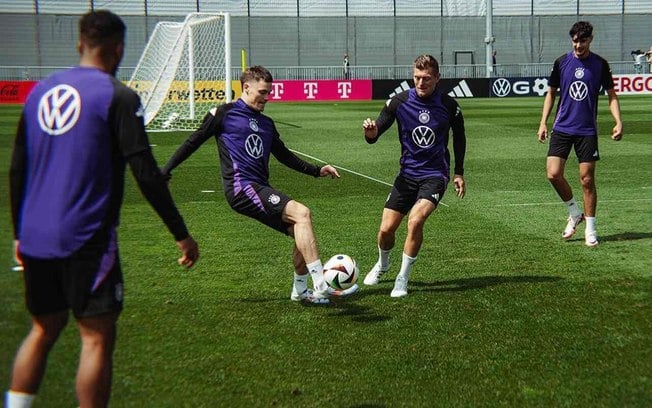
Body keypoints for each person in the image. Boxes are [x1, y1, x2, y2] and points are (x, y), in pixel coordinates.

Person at [6, 10, 199, 408]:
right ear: (119, 49)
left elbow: (17, 170)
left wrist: (18, 233)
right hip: (86, 237)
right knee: (95, 336)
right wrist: (181, 232)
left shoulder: (41, 92)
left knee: (43, 327)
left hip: (36, 237)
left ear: (79, 44)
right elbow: (145, 173)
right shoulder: (118, 96)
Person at [161, 65, 354, 304]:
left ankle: (301, 292)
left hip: (259, 187)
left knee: (301, 233)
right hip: (242, 188)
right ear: (246, 87)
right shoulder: (223, 114)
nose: (267, 97)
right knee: (302, 213)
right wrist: (166, 171)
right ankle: (321, 284)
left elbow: (284, 155)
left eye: (269, 92)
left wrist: (317, 171)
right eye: (262, 92)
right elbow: (192, 142)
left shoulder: (266, 124)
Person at [361, 54, 467, 298]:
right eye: (417, 78)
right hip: (406, 175)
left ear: (437, 78)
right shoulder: (399, 102)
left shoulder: (449, 106)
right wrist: (370, 131)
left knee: (415, 220)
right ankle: (383, 264)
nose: (421, 83)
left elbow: (460, 138)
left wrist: (459, 172)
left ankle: (402, 277)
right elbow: (374, 135)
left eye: (427, 78)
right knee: (386, 231)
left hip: (435, 175)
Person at [537, 21, 622, 247]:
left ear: (590, 39)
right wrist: (543, 122)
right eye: (575, 41)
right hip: (562, 127)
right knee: (553, 174)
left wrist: (618, 121)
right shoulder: (561, 63)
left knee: (587, 180)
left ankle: (591, 229)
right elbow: (551, 93)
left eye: (582, 41)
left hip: (587, 131)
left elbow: (611, 95)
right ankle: (575, 213)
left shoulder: (600, 65)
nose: (578, 45)